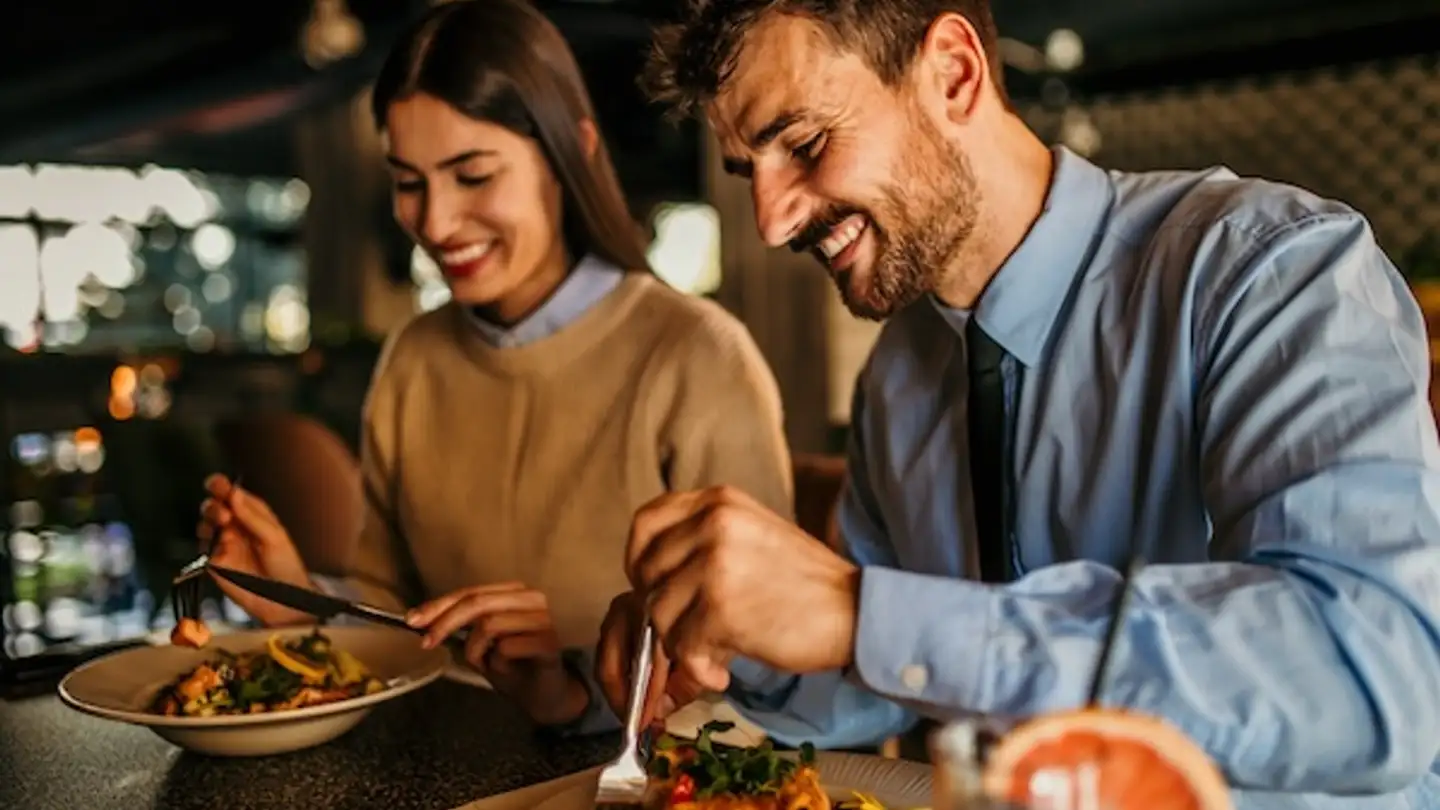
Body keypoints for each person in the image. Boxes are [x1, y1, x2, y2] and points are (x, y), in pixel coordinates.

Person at [594, 1, 1440, 806]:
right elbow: (877, 684)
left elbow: (1368, 673)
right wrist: (730, 631)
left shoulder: (1268, 271)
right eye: (751, 173)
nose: (771, 223)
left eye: (807, 145)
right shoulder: (900, 373)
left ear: (955, 74)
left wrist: (861, 616)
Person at [197, 0, 793, 735]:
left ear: (571, 153)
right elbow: (395, 613)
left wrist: (574, 697)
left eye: (473, 174)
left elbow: (761, 667)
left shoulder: (696, 356)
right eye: (409, 182)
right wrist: (301, 598)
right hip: (445, 763)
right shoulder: (413, 358)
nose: (437, 222)